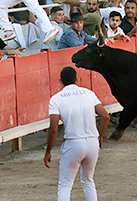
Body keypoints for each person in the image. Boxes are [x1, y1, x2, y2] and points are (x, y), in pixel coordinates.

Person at [44, 66, 110, 201]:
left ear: (60, 81)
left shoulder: (56, 99)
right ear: (77, 79)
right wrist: (100, 136)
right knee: (88, 181)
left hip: (73, 144)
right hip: (92, 143)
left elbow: (53, 129)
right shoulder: (89, 93)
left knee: (65, 185)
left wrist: (48, 151)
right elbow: (105, 116)